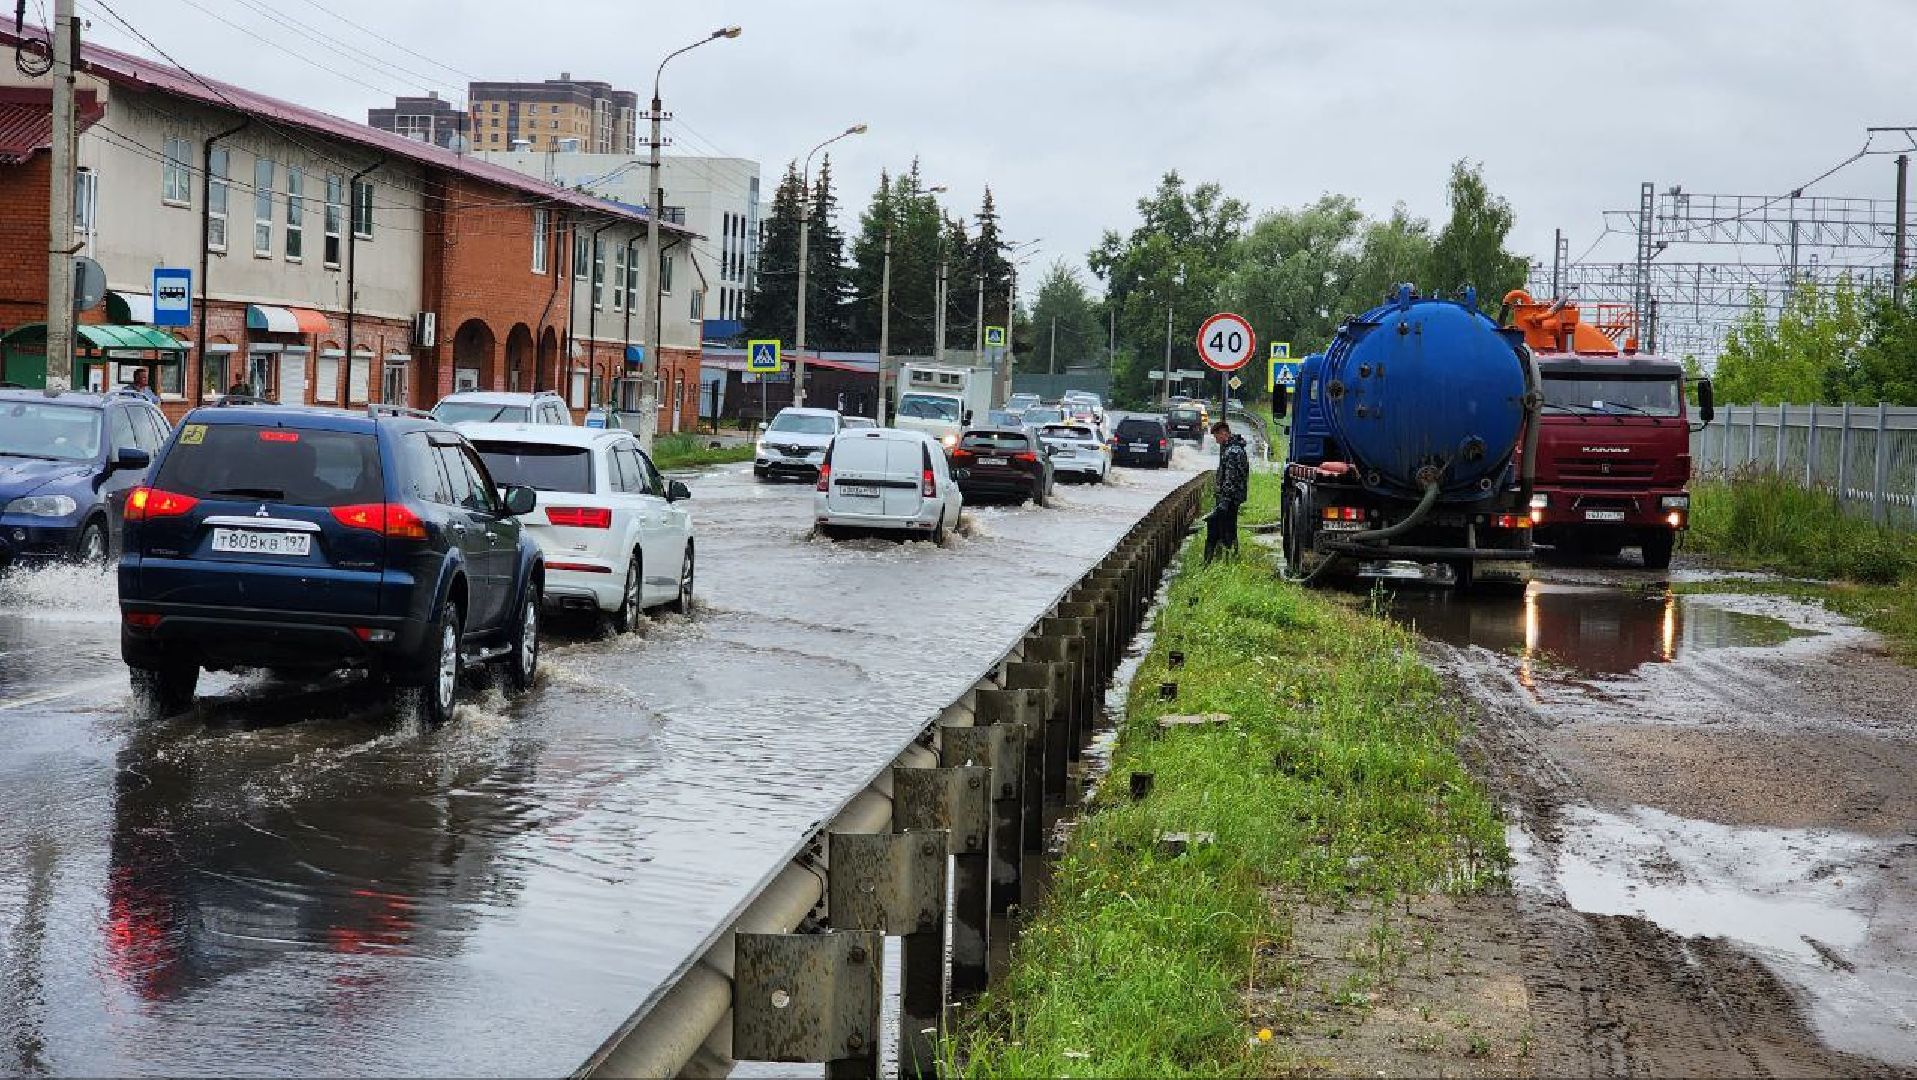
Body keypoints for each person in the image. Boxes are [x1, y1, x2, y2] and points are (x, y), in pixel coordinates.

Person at [1206, 420, 1249, 561]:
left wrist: (1224, 501)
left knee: (1222, 529)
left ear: (1224, 433)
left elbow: (1231, 478)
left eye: (1216, 436)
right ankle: (1229, 557)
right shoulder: (1235, 448)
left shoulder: (1232, 451)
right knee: (1229, 528)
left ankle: (1222, 559)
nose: (1216, 440)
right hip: (1232, 497)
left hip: (1229, 498)